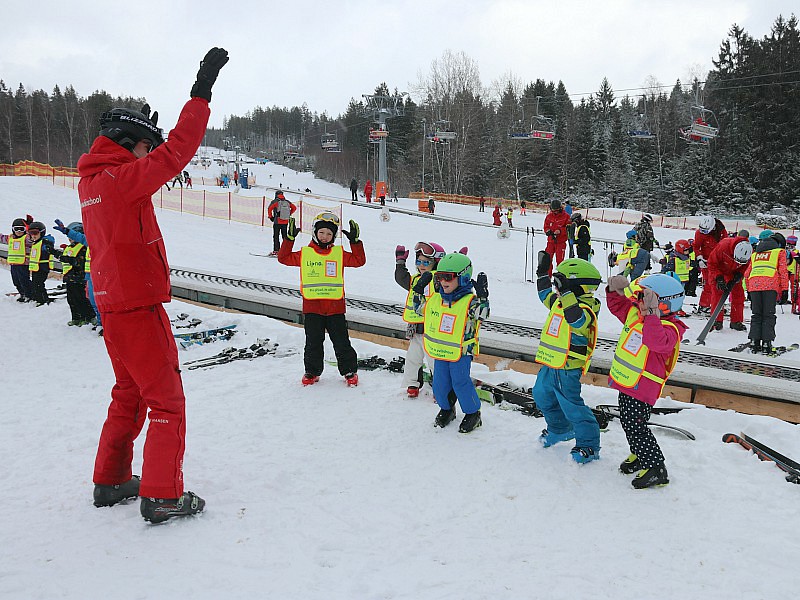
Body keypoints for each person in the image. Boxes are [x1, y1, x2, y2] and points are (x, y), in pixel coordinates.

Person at [78, 46, 229, 523]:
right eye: (143, 146)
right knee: (166, 400)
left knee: (129, 393)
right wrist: (202, 90)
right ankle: (163, 494)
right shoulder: (122, 180)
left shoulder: (91, 183)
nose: (148, 155)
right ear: (126, 144)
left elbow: (154, 155)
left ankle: (111, 479)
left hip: (111, 305)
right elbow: (178, 151)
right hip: (138, 306)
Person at [606, 273, 688, 489]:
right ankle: (639, 454)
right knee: (628, 422)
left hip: (644, 388)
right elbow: (618, 307)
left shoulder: (672, 329)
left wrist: (651, 314)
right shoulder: (637, 314)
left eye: (645, 299)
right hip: (628, 382)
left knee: (637, 426)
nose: (639, 302)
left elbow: (655, 341)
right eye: (640, 298)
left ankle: (656, 468)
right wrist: (614, 291)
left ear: (664, 305)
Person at [278, 211, 365, 386]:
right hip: (312, 308)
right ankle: (312, 372)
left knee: (341, 342)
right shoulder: (306, 253)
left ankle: (349, 371)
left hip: (335, 308)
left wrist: (355, 243)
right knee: (313, 343)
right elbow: (284, 258)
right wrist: (289, 239)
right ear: (315, 232)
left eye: (329, 234)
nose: (325, 237)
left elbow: (358, 260)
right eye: (321, 232)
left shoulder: (338, 253)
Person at [533, 253, 602, 464]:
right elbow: (544, 294)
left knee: (572, 405)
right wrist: (542, 273)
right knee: (541, 394)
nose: (556, 288)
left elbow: (577, 320)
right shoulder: (561, 302)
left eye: (560, 283)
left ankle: (589, 444)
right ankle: (560, 428)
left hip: (568, 367)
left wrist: (565, 293)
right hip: (551, 362)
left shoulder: (587, 308)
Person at [412, 253, 489, 433]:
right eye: (439, 277)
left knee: (460, 382)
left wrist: (483, 297)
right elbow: (419, 309)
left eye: (448, 277)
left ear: (463, 277)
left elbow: (483, 314)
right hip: (440, 351)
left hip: (460, 353)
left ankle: (472, 413)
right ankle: (447, 409)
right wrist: (417, 291)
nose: (442, 282)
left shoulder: (469, 302)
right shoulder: (436, 299)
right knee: (439, 383)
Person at [395, 241, 445, 397]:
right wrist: (400, 263)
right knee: (412, 359)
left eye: (426, 262)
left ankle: (440, 389)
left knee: (434, 363)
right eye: (419, 261)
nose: (421, 265)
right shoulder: (416, 279)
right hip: (416, 330)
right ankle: (412, 384)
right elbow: (401, 279)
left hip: (432, 331)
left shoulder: (439, 281)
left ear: (436, 263)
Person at [54, 219, 102, 332]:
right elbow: (79, 237)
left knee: (97, 301)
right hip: (89, 276)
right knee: (92, 301)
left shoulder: (101, 241)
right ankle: (99, 323)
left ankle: (100, 322)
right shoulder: (88, 241)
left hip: (98, 276)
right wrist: (66, 231)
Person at [745, 232, 789, 354]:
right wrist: (784, 290)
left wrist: (748, 289)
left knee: (756, 314)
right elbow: (783, 272)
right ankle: (766, 343)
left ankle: (754, 341)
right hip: (770, 285)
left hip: (754, 285)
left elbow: (747, 274)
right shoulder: (779, 252)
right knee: (768, 315)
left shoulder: (755, 255)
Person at [707, 234, 752, 331]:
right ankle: (716, 321)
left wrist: (739, 274)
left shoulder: (747, 251)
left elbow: (745, 265)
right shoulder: (723, 247)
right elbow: (711, 263)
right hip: (719, 271)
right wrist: (718, 277)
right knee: (717, 295)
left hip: (734, 273)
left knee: (739, 296)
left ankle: (736, 321)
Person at [694, 215, 728, 314]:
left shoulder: (721, 232)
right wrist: (699, 258)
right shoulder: (700, 233)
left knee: (720, 283)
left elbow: (725, 245)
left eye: (705, 231)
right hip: (706, 262)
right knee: (709, 284)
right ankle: (704, 305)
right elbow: (696, 247)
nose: (703, 233)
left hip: (719, 261)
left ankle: (716, 304)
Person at [0, 215, 34, 301]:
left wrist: (29, 227)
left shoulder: (26, 238)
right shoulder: (10, 238)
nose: (19, 231)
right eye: (16, 229)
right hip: (13, 264)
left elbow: (32, 238)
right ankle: (22, 294)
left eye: (21, 229)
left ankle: (29, 294)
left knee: (24, 280)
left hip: (23, 264)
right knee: (16, 281)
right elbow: (1, 238)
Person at [26, 221, 55, 305]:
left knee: (39, 284)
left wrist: (48, 245)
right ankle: (38, 298)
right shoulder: (36, 243)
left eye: (35, 233)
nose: (33, 235)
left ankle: (43, 300)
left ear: (41, 233)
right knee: (35, 284)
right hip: (36, 268)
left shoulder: (44, 243)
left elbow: (49, 245)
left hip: (43, 267)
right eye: (31, 233)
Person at [543, 199, 571, 274]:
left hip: (560, 242)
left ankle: (560, 278)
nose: (555, 212)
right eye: (553, 210)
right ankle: (548, 277)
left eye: (557, 210)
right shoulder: (549, 216)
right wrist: (547, 231)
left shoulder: (566, 216)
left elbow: (569, 229)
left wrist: (560, 231)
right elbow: (546, 226)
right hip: (550, 242)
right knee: (548, 260)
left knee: (560, 261)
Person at [267, 191, 297, 256]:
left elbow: (269, 208)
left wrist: (271, 217)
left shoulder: (275, 202)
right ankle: (285, 251)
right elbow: (294, 208)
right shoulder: (287, 202)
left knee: (276, 236)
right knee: (284, 236)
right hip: (285, 222)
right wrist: (289, 214)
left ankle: (276, 251)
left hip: (277, 221)